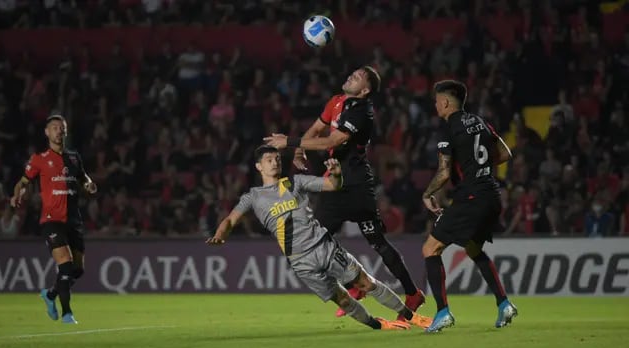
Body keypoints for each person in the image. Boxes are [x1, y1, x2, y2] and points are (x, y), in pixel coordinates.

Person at [263, 66, 427, 321]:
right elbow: (317, 129)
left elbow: (331, 141)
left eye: (358, 77)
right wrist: (299, 150)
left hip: (357, 184)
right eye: (353, 72)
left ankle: (411, 293)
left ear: (365, 90)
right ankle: (354, 285)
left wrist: (291, 142)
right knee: (318, 238)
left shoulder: (363, 111)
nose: (351, 75)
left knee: (376, 242)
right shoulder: (335, 102)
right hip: (335, 183)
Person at [207, 145, 431, 330]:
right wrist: (220, 235)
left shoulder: (296, 182)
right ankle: (378, 325)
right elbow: (230, 220)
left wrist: (336, 173)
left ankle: (410, 316)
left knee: (365, 282)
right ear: (258, 166)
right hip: (299, 261)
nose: (275, 162)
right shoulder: (253, 197)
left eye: (277, 158)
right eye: (268, 160)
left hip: (323, 246)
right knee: (343, 300)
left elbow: (333, 185)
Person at [421, 80, 517, 332]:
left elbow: (443, 173)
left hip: (471, 198)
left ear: (444, 102)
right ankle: (504, 303)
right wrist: (478, 165)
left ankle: (442, 312)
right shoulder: (480, 122)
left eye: (436, 101)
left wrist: (427, 193)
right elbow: (505, 154)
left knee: (430, 249)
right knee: (474, 248)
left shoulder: (448, 128)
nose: (435, 105)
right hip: (492, 196)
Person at [10, 114, 97, 324]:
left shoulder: (74, 157)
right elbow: (23, 182)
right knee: (65, 266)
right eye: (55, 127)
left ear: (66, 132)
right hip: (52, 220)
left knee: (77, 270)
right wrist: (16, 194)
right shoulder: (38, 160)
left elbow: (84, 178)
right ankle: (67, 313)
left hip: (74, 220)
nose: (59, 130)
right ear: (47, 132)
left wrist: (89, 185)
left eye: (62, 127)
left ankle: (49, 295)